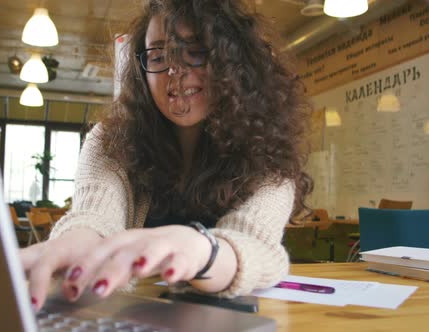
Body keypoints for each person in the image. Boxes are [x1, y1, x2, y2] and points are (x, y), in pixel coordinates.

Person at [21, 0, 313, 311]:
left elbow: (258, 247)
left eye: (196, 52)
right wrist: (81, 242)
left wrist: (202, 251)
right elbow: (95, 216)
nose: (175, 71)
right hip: (129, 316)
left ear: (234, 63)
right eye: (158, 55)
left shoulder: (267, 153)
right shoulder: (109, 141)